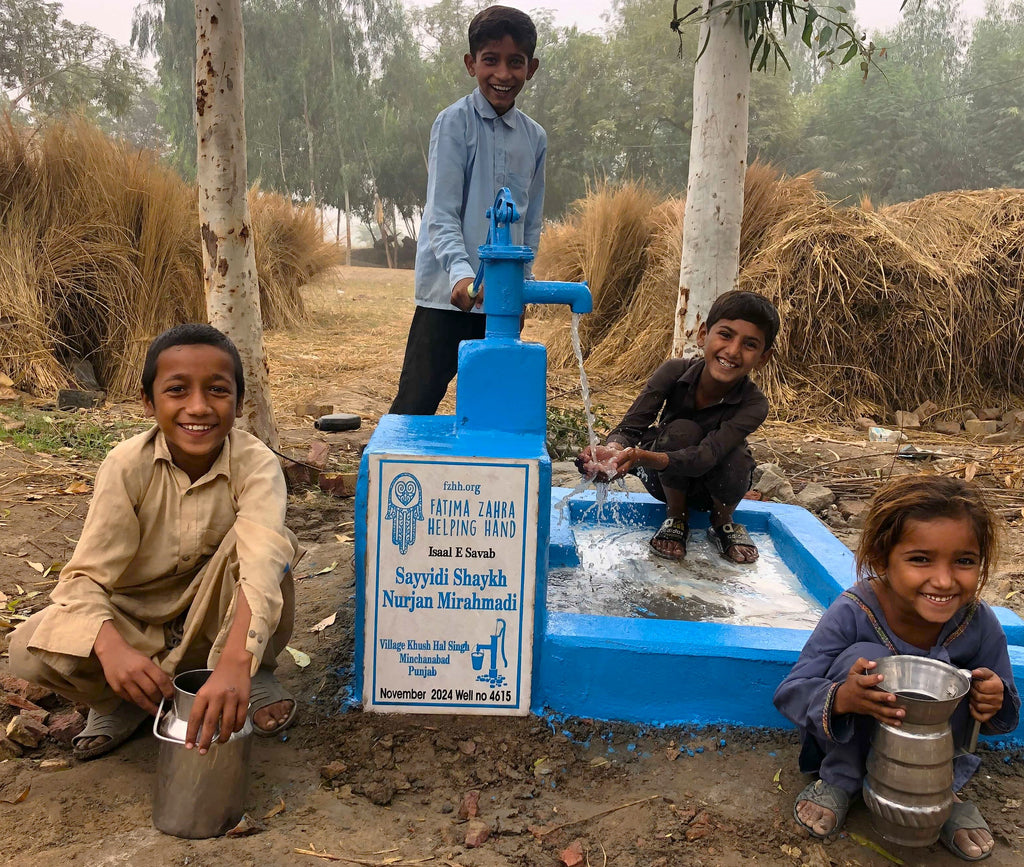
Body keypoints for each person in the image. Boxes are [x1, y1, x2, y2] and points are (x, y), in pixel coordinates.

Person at [8, 324, 303, 760]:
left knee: (276, 549)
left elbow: (259, 567)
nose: (198, 407)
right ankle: (120, 701)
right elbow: (85, 579)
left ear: (240, 403)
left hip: (216, 619)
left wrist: (236, 663)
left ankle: (251, 674)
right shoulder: (126, 466)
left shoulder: (254, 462)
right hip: (137, 624)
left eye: (218, 390)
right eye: (178, 390)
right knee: (27, 649)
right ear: (149, 402)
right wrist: (112, 649)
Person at [774, 475, 1019, 861]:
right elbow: (793, 689)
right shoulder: (854, 611)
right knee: (866, 657)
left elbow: (999, 706)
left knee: (958, 679)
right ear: (880, 558)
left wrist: (993, 697)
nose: (943, 580)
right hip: (853, 744)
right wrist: (843, 698)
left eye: (964, 561)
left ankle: (942, 794)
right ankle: (842, 779)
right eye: (920, 559)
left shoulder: (978, 621)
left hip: (934, 762)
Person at [389, 4, 545, 415]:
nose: (503, 74)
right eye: (490, 60)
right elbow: (441, 213)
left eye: (516, 62)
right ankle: (396, 476)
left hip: (500, 299)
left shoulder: (535, 138)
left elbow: (529, 221)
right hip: (447, 296)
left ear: (531, 68)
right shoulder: (453, 123)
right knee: (417, 402)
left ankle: (476, 481)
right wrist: (460, 273)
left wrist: (522, 285)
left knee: (492, 409)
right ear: (470, 63)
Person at [577, 290, 779, 562]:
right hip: (665, 482)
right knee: (680, 431)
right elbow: (631, 427)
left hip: (716, 488)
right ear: (703, 334)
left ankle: (723, 520)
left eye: (750, 344)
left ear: (763, 358)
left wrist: (638, 457)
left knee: (738, 456)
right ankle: (677, 517)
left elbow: (707, 455)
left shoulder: (754, 404)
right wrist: (613, 450)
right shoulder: (673, 371)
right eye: (726, 335)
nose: (733, 351)